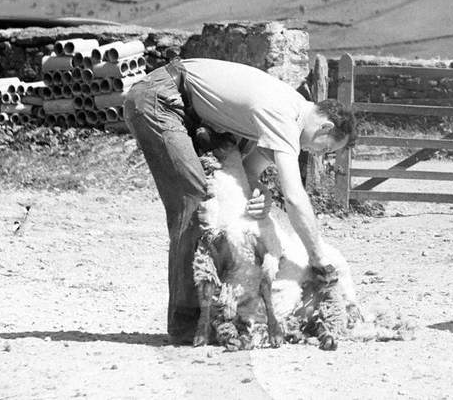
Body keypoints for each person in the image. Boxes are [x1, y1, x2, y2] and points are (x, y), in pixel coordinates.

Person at [124, 56, 354, 345]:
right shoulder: (285, 114)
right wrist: (318, 258)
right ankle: (187, 322)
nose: (320, 155)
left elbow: (249, 171)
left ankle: (211, 311)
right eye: (327, 149)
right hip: (161, 98)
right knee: (195, 198)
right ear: (325, 127)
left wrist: (264, 193)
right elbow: (295, 197)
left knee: (204, 197)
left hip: (181, 103)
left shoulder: (288, 109)